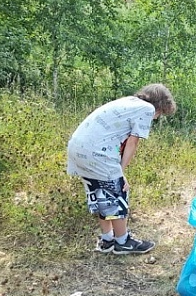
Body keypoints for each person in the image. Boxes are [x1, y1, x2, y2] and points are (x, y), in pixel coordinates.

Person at [67, 83, 176, 255]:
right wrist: (120, 172)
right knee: (117, 192)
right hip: (97, 152)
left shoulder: (128, 101)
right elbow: (133, 142)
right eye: (160, 114)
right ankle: (123, 241)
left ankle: (107, 239)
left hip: (78, 148)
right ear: (160, 105)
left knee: (100, 192)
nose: (156, 118)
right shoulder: (146, 108)